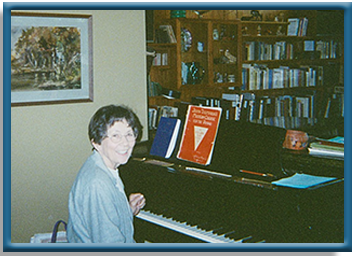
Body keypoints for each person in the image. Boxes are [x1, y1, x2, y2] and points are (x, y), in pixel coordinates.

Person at [67, 105, 146, 243]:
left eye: (129, 134)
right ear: (97, 143)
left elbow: (104, 220)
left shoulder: (104, 166)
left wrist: (127, 210)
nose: (125, 143)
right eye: (115, 136)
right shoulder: (98, 183)